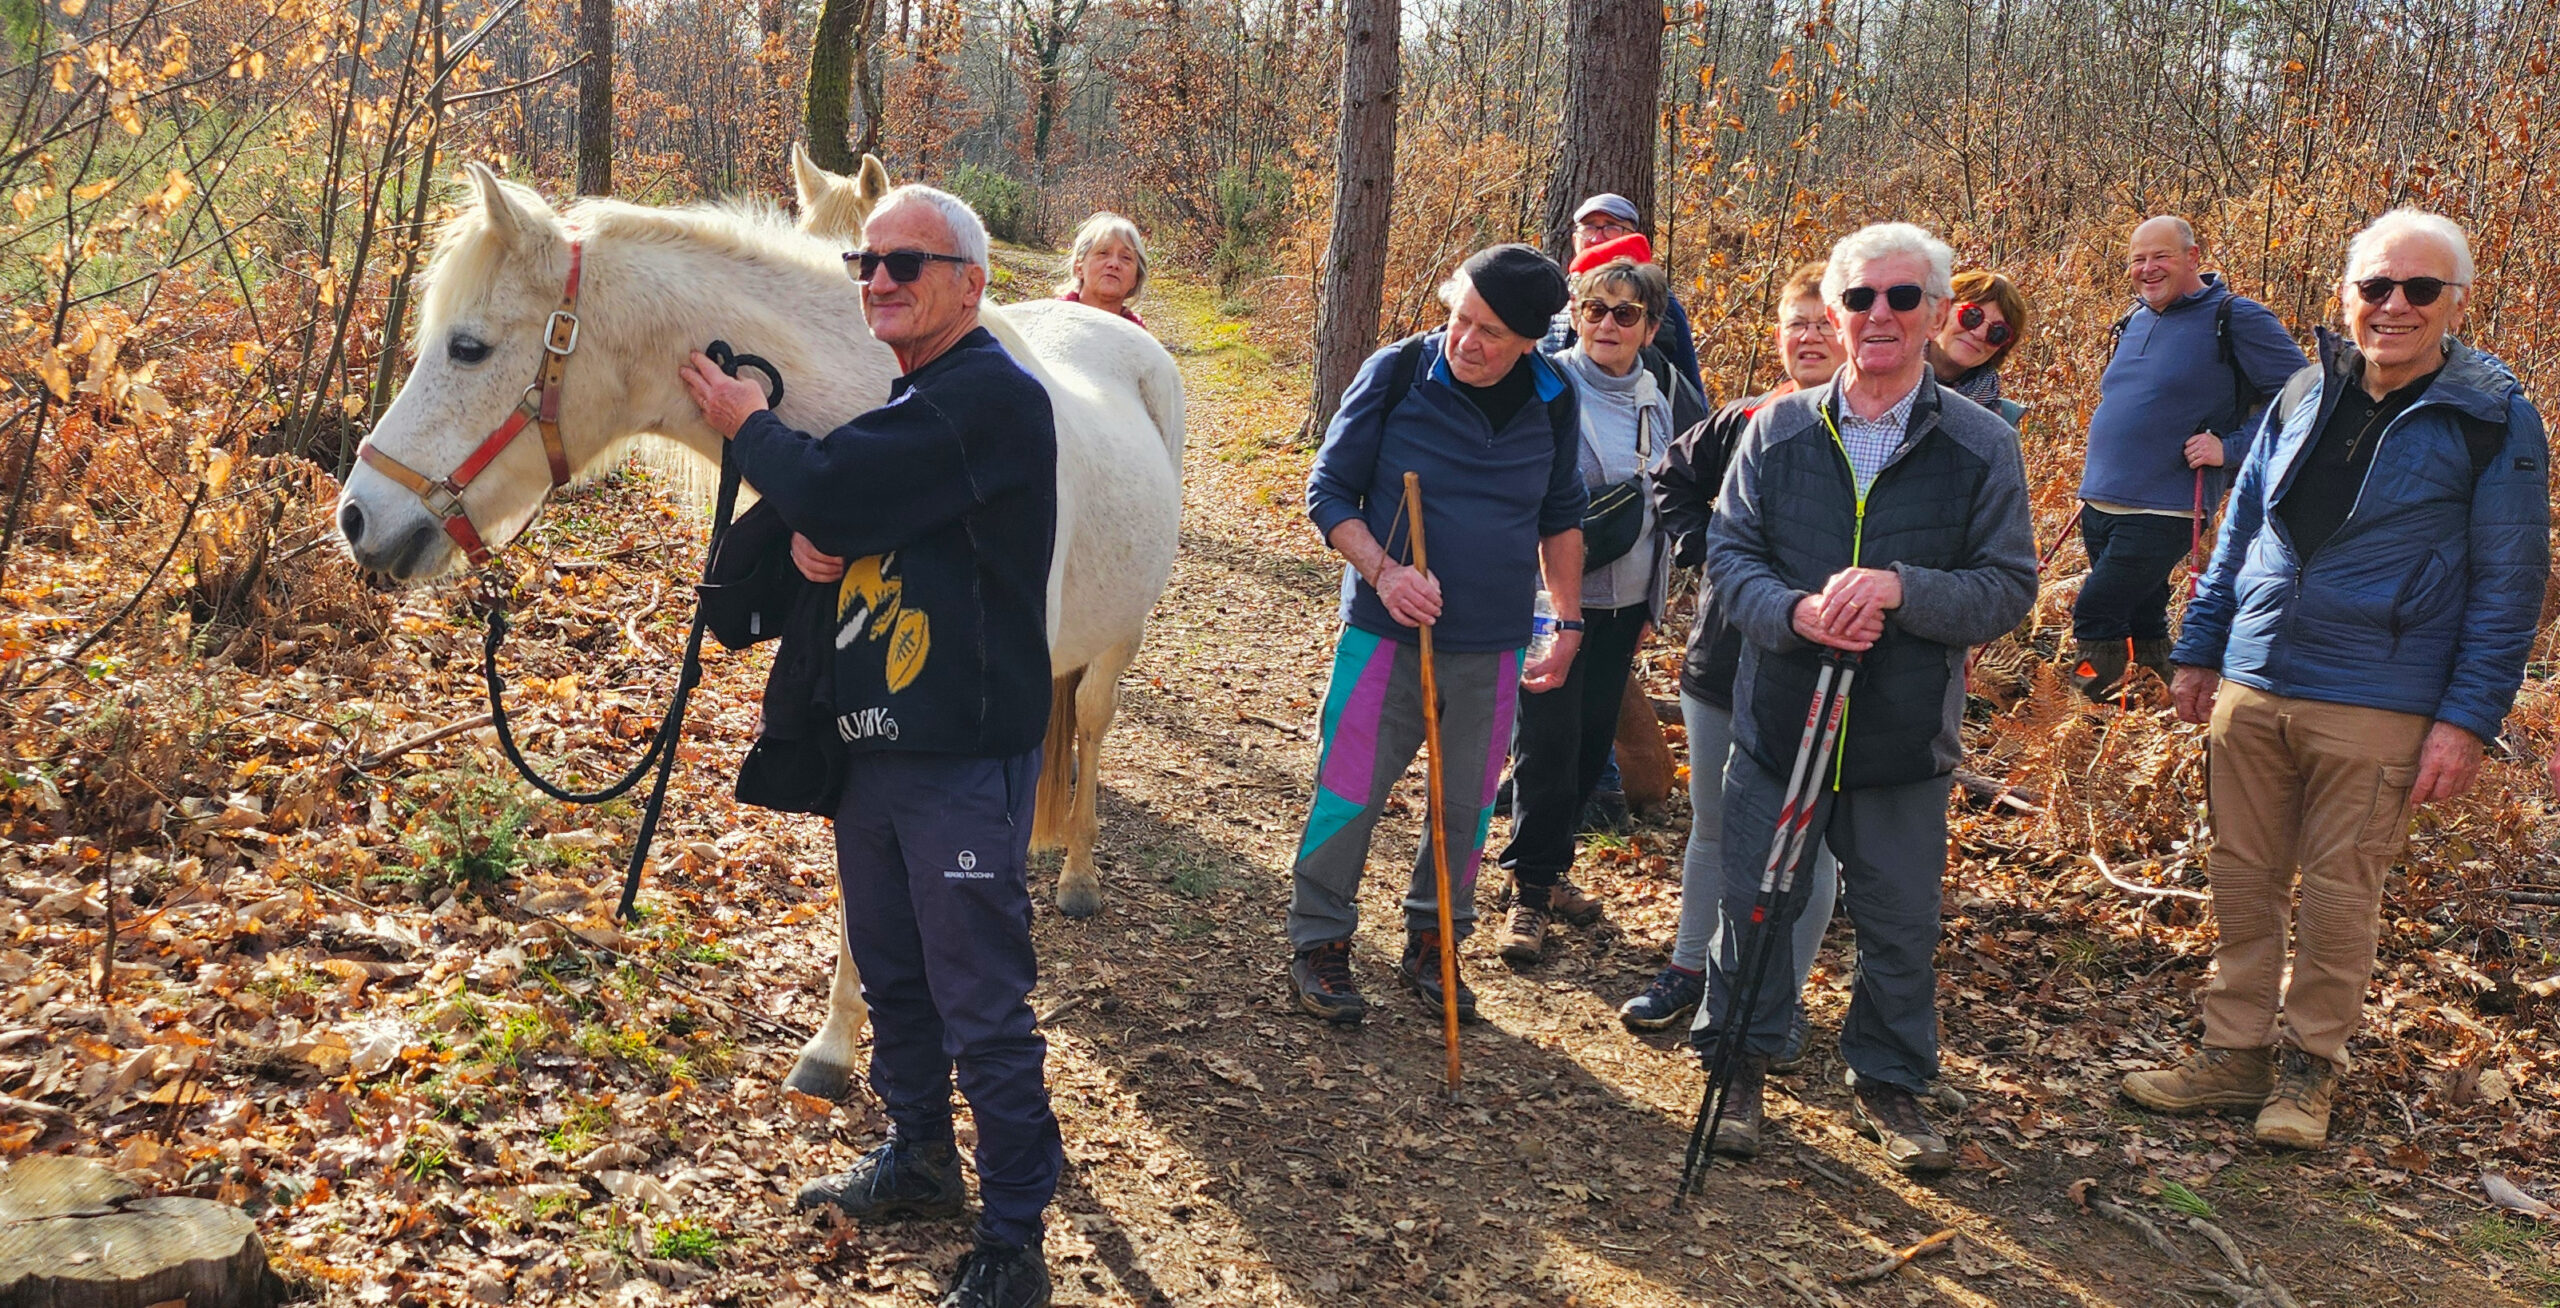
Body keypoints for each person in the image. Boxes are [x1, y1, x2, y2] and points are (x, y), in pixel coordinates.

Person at [680, 185, 1062, 1308]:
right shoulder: (915, 404)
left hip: (962, 762)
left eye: (907, 263)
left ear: (971, 285)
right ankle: (921, 1157)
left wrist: (747, 421)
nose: (879, 279)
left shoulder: (990, 395)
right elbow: (866, 508)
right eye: (867, 262)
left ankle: (1014, 1242)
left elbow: (839, 486)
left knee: (980, 996)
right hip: (877, 751)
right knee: (893, 972)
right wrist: (822, 544)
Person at [2125, 210, 2548, 1152]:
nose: (2394, 305)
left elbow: (2511, 582)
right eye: (2376, 286)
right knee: (2242, 875)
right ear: (2347, 294)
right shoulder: (2303, 390)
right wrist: (2201, 648)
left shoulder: (2493, 417)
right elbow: (2241, 531)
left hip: (2380, 692)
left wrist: (2467, 720)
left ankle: (2310, 1068)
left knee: (2339, 893)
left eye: (2420, 289)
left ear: (2456, 303)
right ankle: (2232, 1055)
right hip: (2256, 675)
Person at [1693, 223, 2036, 1170]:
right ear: (1837, 314)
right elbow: (1730, 555)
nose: (1878, 314)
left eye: (1901, 297)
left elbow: (2009, 586)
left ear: (1936, 312)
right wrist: (1795, 613)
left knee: (1899, 923)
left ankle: (1890, 1080)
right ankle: (1740, 1060)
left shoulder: (1981, 443)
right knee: (1755, 902)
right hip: (1779, 721)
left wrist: (1900, 590)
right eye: (1859, 298)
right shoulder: (1778, 428)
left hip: (1901, 737)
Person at [1288, 244, 1585, 1027]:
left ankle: (1434, 939)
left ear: (1530, 341)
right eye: (1462, 319)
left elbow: (1561, 516)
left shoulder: (1554, 396)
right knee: (1349, 792)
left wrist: (1567, 619)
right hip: (1384, 635)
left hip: (1495, 644)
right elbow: (1327, 492)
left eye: (1491, 333)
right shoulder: (1397, 373)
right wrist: (1386, 573)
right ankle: (1321, 940)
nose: (1467, 342)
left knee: (1466, 809)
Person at [1620, 262, 1841, 1054]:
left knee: (1810, 844)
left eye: (1824, 322)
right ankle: (1689, 969)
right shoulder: (1745, 417)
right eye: (1796, 323)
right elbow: (1671, 479)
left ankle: (1776, 997)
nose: (1809, 337)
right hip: (1722, 659)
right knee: (1713, 826)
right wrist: (1712, 551)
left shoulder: (1876, 433)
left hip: (1826, 672)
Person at [1493, 257, 1676, 965]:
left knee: (1591, 743)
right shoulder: (1548, 383)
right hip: (1548, 601)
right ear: (1575, 315)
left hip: (1622, 604)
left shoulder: (1659, 398)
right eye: (1594, 309)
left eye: (1625, 313)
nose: (1607, 324)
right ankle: (1530, 896)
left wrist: (1656, 595)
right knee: (1546, 743)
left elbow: (1665, 501)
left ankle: (1545, 868)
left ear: (1649, 328)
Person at [2070, 215, 2305, 699]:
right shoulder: (2134, 318)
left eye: (2161, 256)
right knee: (2143, 615)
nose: (2148, 268)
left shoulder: (2235, 317)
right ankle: (2158, 711)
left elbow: (2303, 396)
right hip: (2101, 502)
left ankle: (2083, 712)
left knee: (2096, 611)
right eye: (2138, 259)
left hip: (2167, 506)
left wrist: (2231, 448)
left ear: (2193, 257)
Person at [1542, 194, 1704, 398]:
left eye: (1611, 227)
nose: (1597, 238)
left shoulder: (1658, 300)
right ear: (1575, 240)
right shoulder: (1557, 295)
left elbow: (1690, 387)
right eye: (1589, 227)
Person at [1928, 269, 2029, 428]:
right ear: (1942, 311)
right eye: (1972, 316)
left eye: (1997, 332)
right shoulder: (1888, 371)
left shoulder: (1999, 423)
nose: (1979, 334)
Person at [1055, 211, 1148, 327]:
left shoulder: (1137, 335)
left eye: (1126, 257)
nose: (1114, 264)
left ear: (1135, 278)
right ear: (1079, 267)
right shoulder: (1051, 320)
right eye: (1103, 253)